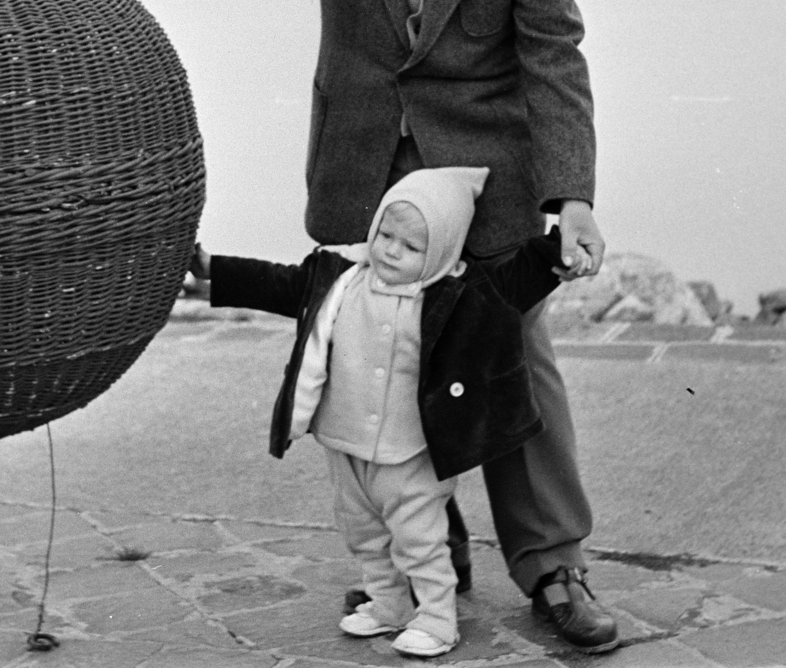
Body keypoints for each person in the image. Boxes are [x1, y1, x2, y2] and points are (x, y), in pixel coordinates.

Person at [0, 0, 618, 652]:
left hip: (487, 164)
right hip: (360, 153)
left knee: (508, 350)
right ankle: (428, 546)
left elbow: (551, 46)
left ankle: (553, 564)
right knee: (375, 365)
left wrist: (572, 194)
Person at [192, 166, 569, 658]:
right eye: (385, 235)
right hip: (344, 442)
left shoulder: (458, 296)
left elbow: (516, 280)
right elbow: (274, 283)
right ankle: (388, 604)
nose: (391, 250)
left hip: (412, 453)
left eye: (410, 247)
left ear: (440, 253)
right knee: (365, 535)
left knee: (420, 540)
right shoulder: (341, 279)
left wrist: (562, 246)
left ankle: (437, 617)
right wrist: (212, 268)